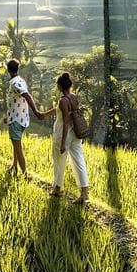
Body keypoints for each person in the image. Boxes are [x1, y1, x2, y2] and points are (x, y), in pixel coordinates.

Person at [39, 72, 89, 202]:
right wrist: (44, 114)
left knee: (59, 161)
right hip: (76, 133)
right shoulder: (74, 97)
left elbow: (65, 121)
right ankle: (84, 193)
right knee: (79, 161)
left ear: (60, 86)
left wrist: (62, 143)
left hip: (63, 133)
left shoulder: (62, 100)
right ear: (70, 85)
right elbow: (62, 111)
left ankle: (57, 189)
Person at [3, 58, 43, 178]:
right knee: (16, 145)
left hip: (16, 120)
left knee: (18, 147)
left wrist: (36, 111)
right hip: (19, 118)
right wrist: (8, 117)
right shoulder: (20, 80)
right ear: (17, 69)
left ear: (8, 70)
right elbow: (15, 101)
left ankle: (25, 174)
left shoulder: (15, 83)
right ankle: (14, 166)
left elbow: (27, 95)